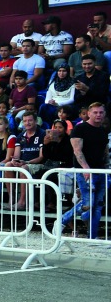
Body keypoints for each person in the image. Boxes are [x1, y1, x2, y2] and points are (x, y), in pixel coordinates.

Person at [61, 102, 108, 238]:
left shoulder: (103, 131)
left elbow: (104, 153)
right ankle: (63, 220)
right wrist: (86, 168)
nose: (98, 115)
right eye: (95, 112)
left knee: (98, 204)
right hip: (84, 171)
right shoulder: (80, 128)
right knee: (87, 203)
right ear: (88, 113)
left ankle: (92, 236)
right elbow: (77, 151)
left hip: (100, 171)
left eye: (101, 112)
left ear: (104, 114)